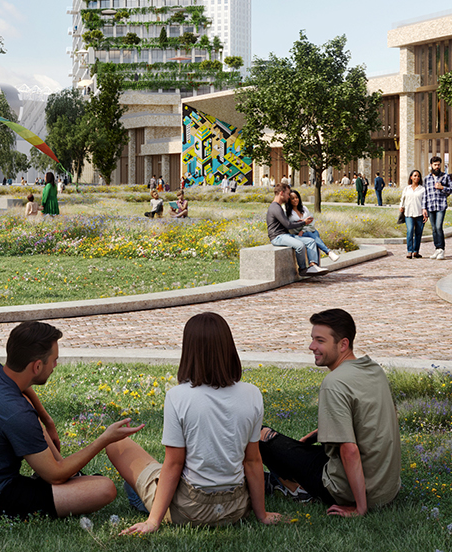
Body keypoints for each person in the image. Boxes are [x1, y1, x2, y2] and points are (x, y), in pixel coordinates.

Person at [0, 320, 139, 520]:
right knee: (104, 488)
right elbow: (55, 475)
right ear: (37, 366)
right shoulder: (17, 413)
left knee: (27, 407)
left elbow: (24, 391)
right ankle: (67, 476)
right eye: (53, 360)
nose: (55, 365)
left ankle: (68, 473)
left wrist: (47, 420)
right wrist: (104, 439)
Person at [105, 313, 279, 533]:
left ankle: (146, 502)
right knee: (149, 475)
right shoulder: (252, 394)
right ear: (229, 347)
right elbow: (253, 461)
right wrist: (261, 515)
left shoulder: (178, 396)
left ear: (189, 350)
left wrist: (153, 522)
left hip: (190, 509)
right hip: (235, 508)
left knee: (117, 445)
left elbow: (174, 464)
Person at [257, 308, 402, 517]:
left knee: (259, 434)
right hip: (386, 489)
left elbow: (349, 450)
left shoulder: (334, 383)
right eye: (312, 339)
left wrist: (360, 508)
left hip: (348, 490)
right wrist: (312, 437)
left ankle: (296, 488)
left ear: (343, 344)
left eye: (320, 341)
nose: (311, 346)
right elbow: (361, 421)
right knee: (297, 450)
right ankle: (281, 481)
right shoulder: (373, 370)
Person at [267, 184, 327, 276]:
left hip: (285, 235)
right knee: (300, 246)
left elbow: (287, 222)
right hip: (277, 237)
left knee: (311, 241)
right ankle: (303, 269)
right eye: (287, 194)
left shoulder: (278, 206)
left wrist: (301, 221)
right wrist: (304, 222)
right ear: (281, 193)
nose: (288, 196)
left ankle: (313, 266)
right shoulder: (275, 207)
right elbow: (288, 225)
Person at [421, 156, 452, 261]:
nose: (437, 167)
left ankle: (441, 249)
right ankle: (437, 248)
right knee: (434, 228)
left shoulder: (445, 177)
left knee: (439, 227)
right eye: (435, 165)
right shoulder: (427, 178)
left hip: (441, 205)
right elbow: (425, 194)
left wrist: (442, 188)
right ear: (431, 165)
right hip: (430, 206)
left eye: (439, 164)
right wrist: (424, 208)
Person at [287, 190, 334, 261]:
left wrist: (303, 230)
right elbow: (293, 226)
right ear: (289, 200)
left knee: (314, 234)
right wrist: (304, 225)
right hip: (298, 235)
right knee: (313, 238)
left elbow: (311, 221)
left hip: (309, 231)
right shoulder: (289, 213)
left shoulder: (304, 208)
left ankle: (317, 265)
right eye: (292, 198)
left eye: (296, 197)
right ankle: (327, 252)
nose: (295, 200)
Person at [399, 171, 426, 258]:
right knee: (410, 231)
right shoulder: (407, 188)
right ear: (411, 177)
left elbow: (424, 202)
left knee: (418, 233)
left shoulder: (422, 189)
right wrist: (401, 206)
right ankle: (409, 251)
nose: (416, 178)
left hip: (419, 214)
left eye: (418, 176)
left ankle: (416, 251)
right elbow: (402, 199)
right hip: (408, 214)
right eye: (415, 176)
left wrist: (426, 213)